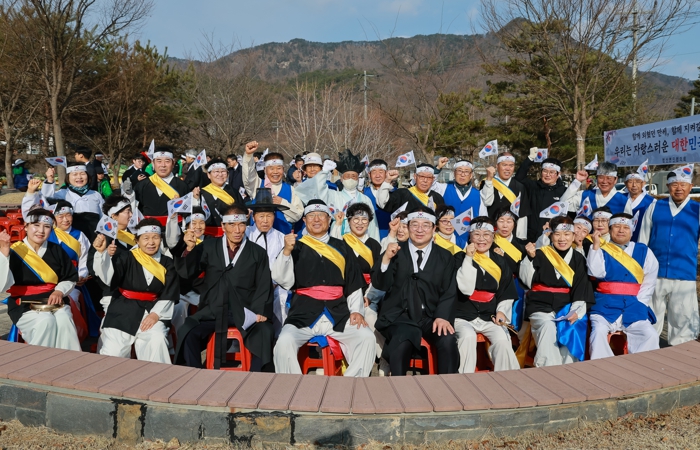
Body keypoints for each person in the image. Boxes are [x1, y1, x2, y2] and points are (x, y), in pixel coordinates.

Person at [272, 199, 376, 376]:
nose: (316, 219)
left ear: (329, 220)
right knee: (284, 342)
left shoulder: (343, 247)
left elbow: (353, 283)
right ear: (304, 220)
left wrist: (356, 311)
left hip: (338, 313)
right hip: (303, 313)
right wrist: (287, 252)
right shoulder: (295, 246)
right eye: (311, 216)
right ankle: (292, 387)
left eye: (321, 215)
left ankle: (351, 384)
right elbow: (283, 280)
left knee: (366, 338)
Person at [174, 205, 275, 370]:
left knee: (265, 331)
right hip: (213, 309)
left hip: (245, 311)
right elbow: (187, 272)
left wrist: (260, 312)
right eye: (232, 225)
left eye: (241, 224)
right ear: (223, 226)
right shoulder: (208, 247)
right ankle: (194, 374)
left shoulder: (257, 252)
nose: (237, 230)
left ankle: (256, 377)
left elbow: (263, 285)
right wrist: (190, 249)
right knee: (188, 330)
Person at [372, 206, 459, 375]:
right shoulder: (395, 251)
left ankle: (448, 386)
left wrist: (442, 316)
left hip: (431, 315)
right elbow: (380, 284)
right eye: (414, 225)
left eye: (425, 225)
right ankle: (398, 387)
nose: (420, 230)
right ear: (408, 227)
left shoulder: (445, 256)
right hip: (400, 315)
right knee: (402, 340)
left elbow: (449, 290)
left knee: (447, 339)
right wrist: (386, 259)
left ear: (434, 228)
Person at [93, 218, 177, 363]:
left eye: (155, 237)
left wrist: (156, 315)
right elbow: (108, 278)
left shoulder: (167, 263)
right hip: (122, 310)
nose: (151, 242)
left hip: (152, 310)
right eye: (146, 238)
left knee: (156, 339)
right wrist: (101, 254)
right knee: (114, 352)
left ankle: (156, 376)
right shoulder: (125, 257)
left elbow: (170, 292)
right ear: (137, 240)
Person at [0, 209, 80, 350]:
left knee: (65, 320)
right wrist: (4, 254)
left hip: (55, 300)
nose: (41, 231)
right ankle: (38, 361)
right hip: (23, 303)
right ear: (26, 226)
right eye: (36, 225)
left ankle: (68, 360)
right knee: (45, 321)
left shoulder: (57, 250)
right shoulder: (14, 250)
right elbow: (2, 285)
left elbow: (69, 277)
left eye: (47, 226)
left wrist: (59, 291)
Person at [519, 216, 594, 366]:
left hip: (566, 306)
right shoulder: (539, 253)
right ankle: (548, 369)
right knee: (547, 326)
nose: (562, 239)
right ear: (551, 235)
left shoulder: (578, 258)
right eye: (557, 234)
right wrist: (530, 258)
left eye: (567, 234)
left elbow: (581, 287)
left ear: (573, 235)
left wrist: (576, 311)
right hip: (540, 305)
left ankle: (569, 368)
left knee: (572, 327)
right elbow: (526, 282)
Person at [638, 166, 700, 346]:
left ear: (691, 186)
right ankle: (647, 348)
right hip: (654, 271)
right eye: (674, 184)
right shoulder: (655, 206)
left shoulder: (697, 209)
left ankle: (682, 350)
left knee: (682, 315)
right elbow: (643, 238)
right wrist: (641, 267)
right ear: (667, 186)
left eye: (683, 184)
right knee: (651, 313)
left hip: (684, 271)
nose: (678, 188)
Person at [587, 213, 659, 359]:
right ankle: (602, 365)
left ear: (632, 231)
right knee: (598, 332)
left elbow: (649, 281)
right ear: (610, 229)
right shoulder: (601, 247)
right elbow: (595, 272)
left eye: (626, 227)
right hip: (605, 305)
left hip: (634, 304)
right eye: (617, 226)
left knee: (650, 334)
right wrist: (595, 246)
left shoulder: (643, 250)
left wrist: (640, 303)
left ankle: (641, 365)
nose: (621, 230)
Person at [454, 217, 520, 373]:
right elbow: (465, 288)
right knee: (467, 336)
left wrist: (501, 311)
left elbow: (506, 290)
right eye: (477, 234)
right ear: (470, 236)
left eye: (486, 235)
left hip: (489, 315)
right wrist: (468, 258)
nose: (481, 239)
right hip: (462, 315)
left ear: (493, 236)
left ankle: (506, 378)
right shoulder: (459, 258)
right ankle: (463, 378)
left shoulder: (500, 261)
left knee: (502, 339)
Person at [296, 149, 380, 241]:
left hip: (362, 240)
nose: (350, 179)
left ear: (358, 179)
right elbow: (320, 191)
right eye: (347, 176)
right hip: (339, 238)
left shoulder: (365, 199)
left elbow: (373, 225)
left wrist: (375, 245)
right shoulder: (334, 195)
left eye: (353, 176)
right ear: (341, 179)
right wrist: (324, 172)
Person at [245, 189, 288, 335]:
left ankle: (278, 337)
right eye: (261, 216)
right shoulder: (246, 234)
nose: (265, 220)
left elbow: (284, 267)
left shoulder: (281, 238)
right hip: (249, 285)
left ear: (274, 217)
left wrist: (273, 283)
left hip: (274, 285)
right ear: (254, 216)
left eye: (269, 216)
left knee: (282, 297)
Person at [87, 195, 137, 315]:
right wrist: (105, 255)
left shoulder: (136, 235)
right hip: (113, 292)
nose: (131, 215)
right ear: (114, 216)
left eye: (131, 211)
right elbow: (92, 267)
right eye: (127, 211)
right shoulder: (102, 237)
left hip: (137, 289)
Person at [242, 141, 304, 234]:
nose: (275, 172)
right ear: (265, 170)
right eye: (271, 168)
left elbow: (298, 215)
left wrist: (282, 203)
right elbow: (248, 177)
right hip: (257, 238)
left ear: (283, 169)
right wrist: (248, 155)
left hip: (282, 237)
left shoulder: (290, 189)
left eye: (279, 168)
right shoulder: (258, 184)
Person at [514, 151, 569, 243]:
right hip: (531, 236)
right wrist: (530, 159)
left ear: (558, 174)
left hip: (552, 237)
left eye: (552, 172)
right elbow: (519, 178)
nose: (548, 175)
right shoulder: (533, 186)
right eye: (545, 171)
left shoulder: (564, 191)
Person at [41, 162, 104, 241]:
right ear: (68, 177)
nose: (79, 177)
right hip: (70, 239)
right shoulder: (62, 194)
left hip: (95, 238)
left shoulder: (96, 195)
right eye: (75, 174)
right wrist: (50, 180)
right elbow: (46, 200)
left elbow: (103, 217)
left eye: (82, 174)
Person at [480, 153, 530, 240]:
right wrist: (489, 180)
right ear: (497, 166)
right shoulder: (487, 182)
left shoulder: (519, 187)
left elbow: (522, 214)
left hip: (511, 235)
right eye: (504, 165)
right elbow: (487, 202)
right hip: (490, 233)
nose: (508, 168)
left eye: (511, 165)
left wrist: (520, 238)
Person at [127, 147, 190, 217]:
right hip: (147, 223)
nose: (163, 165)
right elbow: (133, 210)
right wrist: (128, 194)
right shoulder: (142, 185)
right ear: (153, 163)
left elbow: (187, 214)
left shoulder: (182, 186)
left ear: (173, 163)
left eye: (167, 161)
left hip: (172, 224)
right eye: (159, 161)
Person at [562, 162, 632, 216]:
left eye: (609, 178)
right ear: (596, 178)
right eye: (601, 177)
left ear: (615, 179)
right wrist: (577, 181)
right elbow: (563, 205)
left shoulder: (623, 200)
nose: (604, 181)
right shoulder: (584, 195)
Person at [377, 164, 446, 216]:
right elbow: (382, 204)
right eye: (422, 176)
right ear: (415, 177)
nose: (425, 180)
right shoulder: (402, 194)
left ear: (433, 179)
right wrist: (387, 181)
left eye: (429, 177)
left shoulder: (437, 198)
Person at [197, 159, 245, 227]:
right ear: (208, 175)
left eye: (223, 171)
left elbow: (242, 211)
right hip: (209, 231)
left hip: (231, 230)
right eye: (216, 171)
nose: (220, 174)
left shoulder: (234, 192)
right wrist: (195, 199)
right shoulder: (202, 192)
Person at [363, 159, 393, 239]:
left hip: (389, 237)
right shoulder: (363, 193)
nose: (377, 175)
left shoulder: (395, 193)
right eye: (374, 172)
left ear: (386, 173)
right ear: (369, 174)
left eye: (381, 172)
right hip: (368, 237)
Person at [625, 172, 654, 242]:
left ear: (643, 183)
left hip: (642, 240)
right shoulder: (619, 199)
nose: (634, 185)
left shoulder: (652, 202)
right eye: (630, 182)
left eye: (638, 182)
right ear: (625, 183)